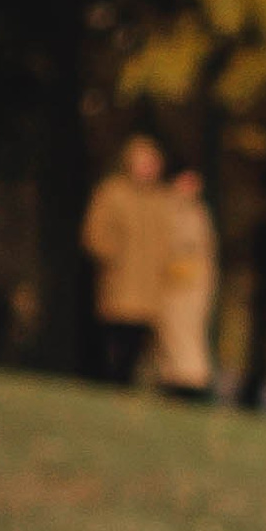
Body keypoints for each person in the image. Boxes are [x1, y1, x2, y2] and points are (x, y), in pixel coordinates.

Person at [81, 138, 172, 384]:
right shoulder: (112, 192)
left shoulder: (162, 200)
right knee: (113, 340)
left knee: (135, 347)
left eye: (152, 163)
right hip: (119, 283)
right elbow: (95, 233)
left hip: (149, 290)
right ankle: (105, 382)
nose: (148, 168)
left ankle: (121, 387)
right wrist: (112, 257)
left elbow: (169, 243)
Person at [151, 171, 220, 401]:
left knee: (188, 342)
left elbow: (203, 252)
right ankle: (174, 385)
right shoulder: (164, 207)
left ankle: (187, 388)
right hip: (170, 286)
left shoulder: (197, 213)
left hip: (191, 287)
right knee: (171, 341)